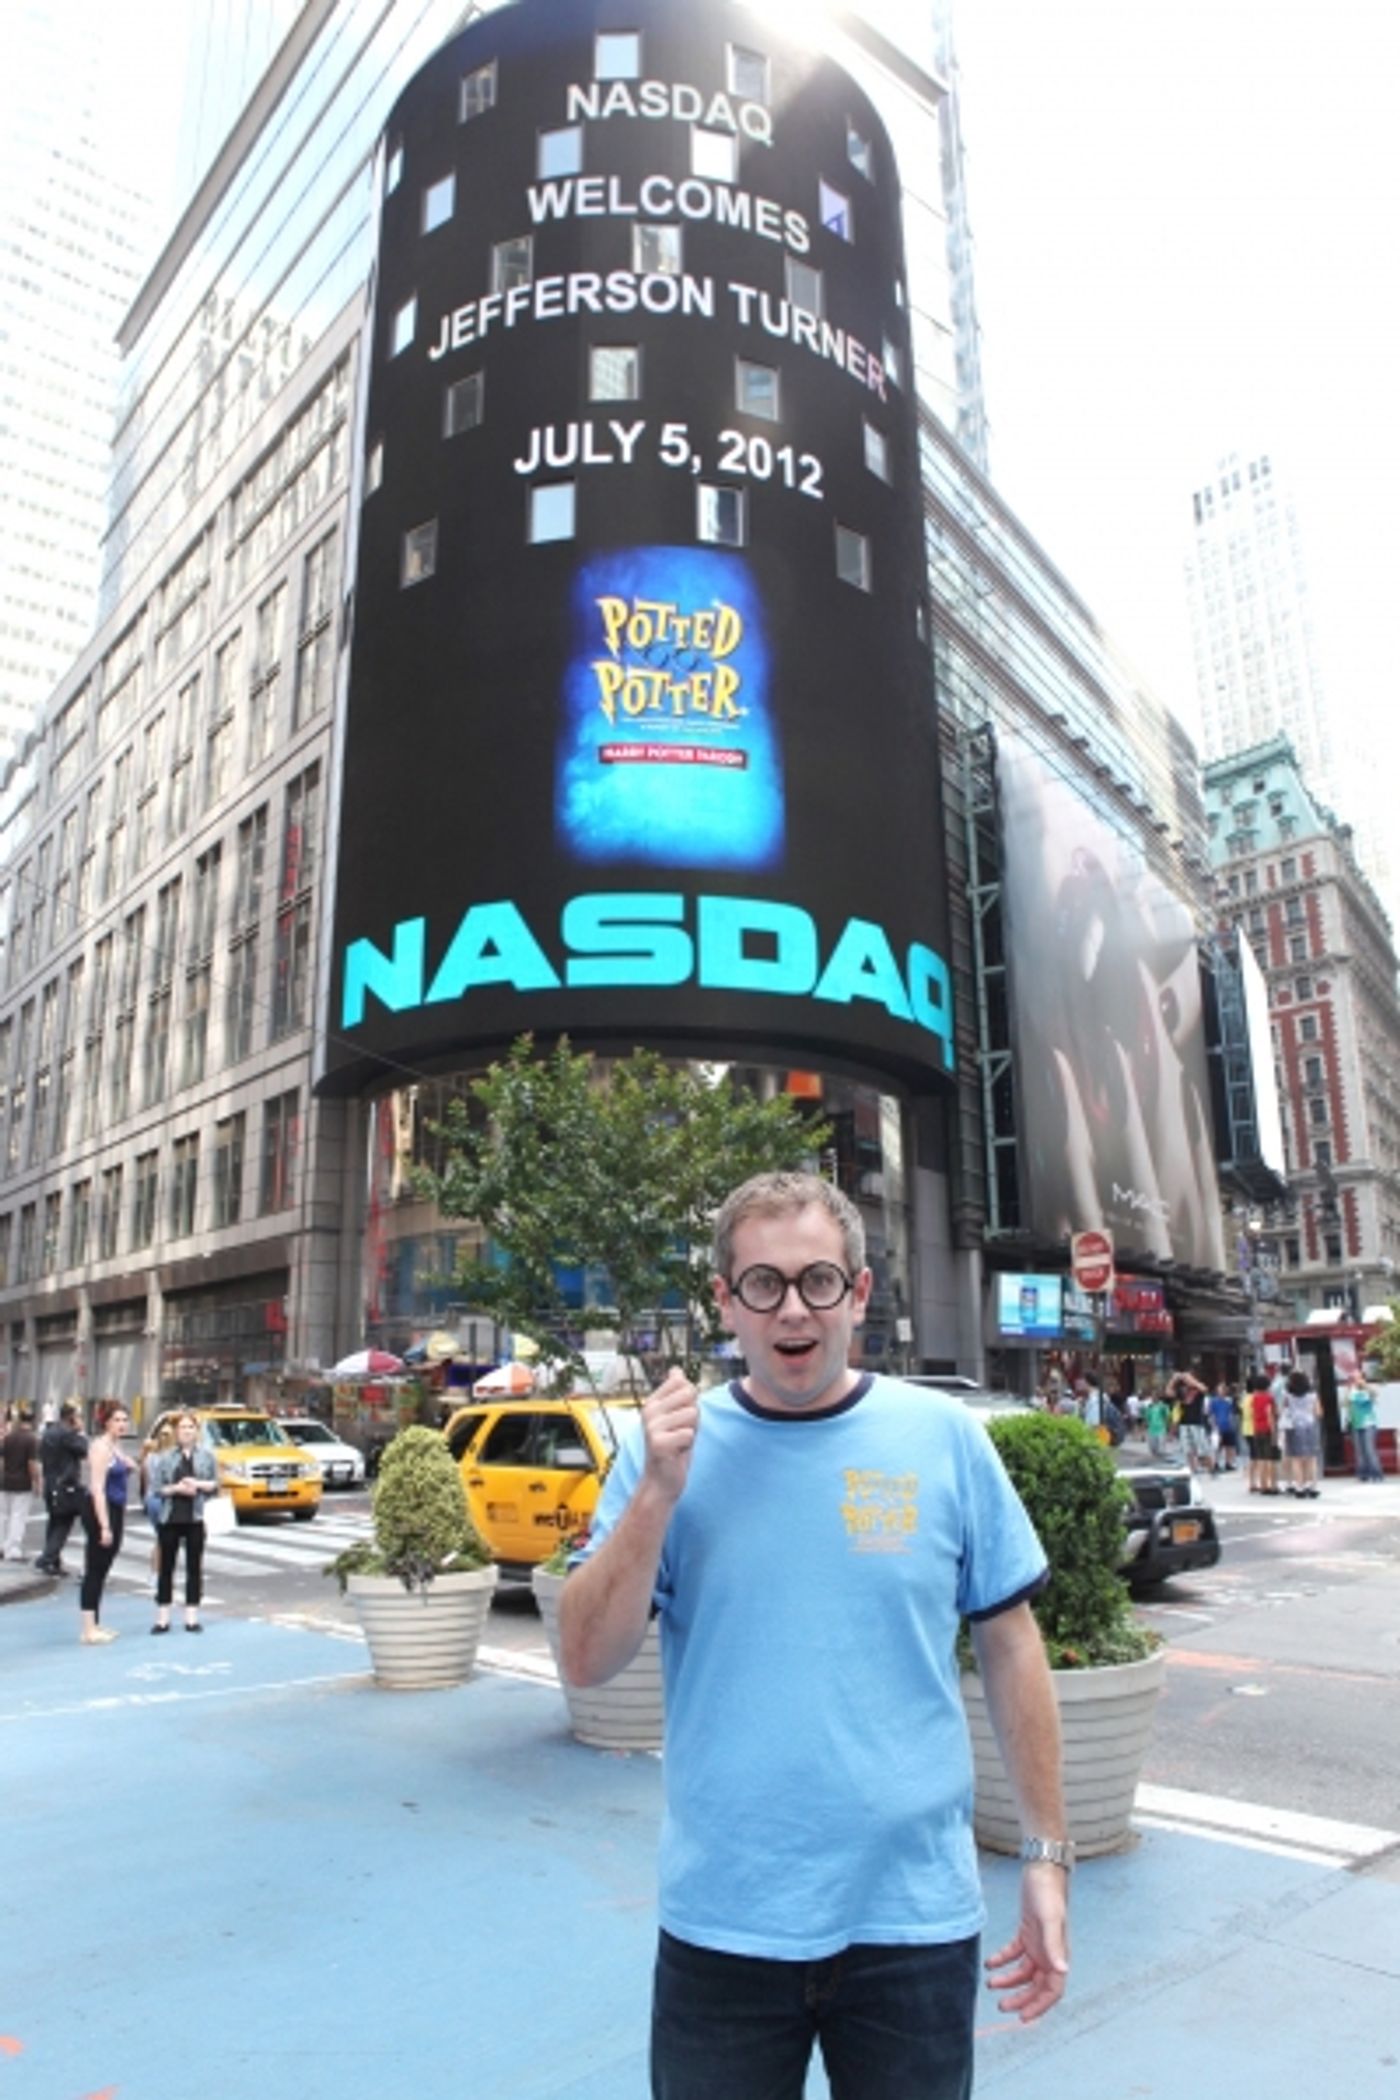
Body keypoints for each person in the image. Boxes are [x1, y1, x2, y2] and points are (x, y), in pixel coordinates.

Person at [559, 1171, 1070, 2100]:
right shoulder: (664, 1454)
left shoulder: (945, 1437)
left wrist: (1045, 1856)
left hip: (913, 1924)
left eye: (818, 1280)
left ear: (859, 1293)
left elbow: (1010, 1644)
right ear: (725, 1302)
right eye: (763, 1283)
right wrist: (656, 1497)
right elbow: (586, 1660)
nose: (793, 1309)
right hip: (725, 1924)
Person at [146, 1411, 220, 1631]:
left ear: (197, 1431)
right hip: (170, 1516)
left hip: (195, 1516)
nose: (187, 1431)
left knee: (194, 1567)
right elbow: (156, 1489)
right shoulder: (166, 1457)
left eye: (190, 1427)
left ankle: (191, 1617)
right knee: (166, 1568)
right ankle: (163, 1617)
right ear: (176, 1432)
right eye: (183, 1428)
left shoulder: (206, 1456)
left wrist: (197, 1484)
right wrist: (176, 1488)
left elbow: (215, 1485)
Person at [79, 1401, 135, 1643]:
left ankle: (95, 1623)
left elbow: (123, 1470)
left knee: (103, 1568)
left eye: (124, 1420)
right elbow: (97, 1489)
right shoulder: (100, 1447)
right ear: (106, 1423)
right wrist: (104, 1526)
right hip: (101, 1509)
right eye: (117, 1420)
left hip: (116, 1507)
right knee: (95, 1567)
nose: (122, 1424)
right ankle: (88, 1629)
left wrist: (129, 1466)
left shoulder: (115, 1446)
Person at [36, 1401, 87, 1575]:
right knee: (63, 1522)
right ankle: (47, 1559)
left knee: (54, 1521)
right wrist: (80, 1431)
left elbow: (41, 1455)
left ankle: (53, 1560)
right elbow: (84, 1449)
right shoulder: (68, 1434)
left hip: (50, 1481)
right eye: (78, 1416)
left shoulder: (49, 1432)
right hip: (65, 1484)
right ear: (72, 1416)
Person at [1, 1402, 41, 1561]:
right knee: (18, 1516)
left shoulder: (8, 1437)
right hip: (22, 1483)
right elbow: (32, 1464)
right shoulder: (32, 1439)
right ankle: (13, 1549)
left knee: (3, 1515)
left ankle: (1, 1545)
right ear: (33, 1421)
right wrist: (36, 1482)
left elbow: (2, 1461)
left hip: (5, 1481)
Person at [1281, 1370, 1322, 1498]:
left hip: (1293, 1427)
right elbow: (1318, 1412)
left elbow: (1284, 1410)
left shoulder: (1288, 1396)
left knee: (1296, 1459)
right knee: (1311, 1458)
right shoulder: (1313, 1396)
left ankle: (1299, 1487)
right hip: (1310, 1426)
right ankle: (1312, 1486)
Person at [1343, 1375, 1384, 1483]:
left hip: (1368, 1424)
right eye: (1354, 1379)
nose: (1356, 1381)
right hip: (1356, 1424)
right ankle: (1363, 1474)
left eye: (1358, 1378)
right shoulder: (1352, 1392)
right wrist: (1348, 1389)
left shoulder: (1368, 1391)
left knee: (1369, 1449)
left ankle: (1376, 1473)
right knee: (1359, 1451)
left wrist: (1365, 1385)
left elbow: (1375, 1394)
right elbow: (1345, 1404)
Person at [1170, 1372, 1211, 1475]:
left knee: (1203, 1450)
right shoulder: (1181, 1391)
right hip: (1184, 1424)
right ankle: (1193, 1470)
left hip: (1197, 1423)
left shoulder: (1197, 1390)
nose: (1186, 1380)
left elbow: (1205, 1389)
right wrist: (1173, 1380)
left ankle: (1211, 1470)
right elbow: (1169, 1392)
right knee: (1188, 1450)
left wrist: (1191, 1379)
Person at [1144, 1388, 1172, 1459]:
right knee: (1153, 1449)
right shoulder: (1150, 1406)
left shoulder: (1163, 1406)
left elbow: (1167, 1417)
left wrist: (1168, 1427)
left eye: (1155, 1396)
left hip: (1161, 1429)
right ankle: (1155, 1462)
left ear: (1158, 1397)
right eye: (1152, 1396)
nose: (1153, 1398)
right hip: (1151, 1430)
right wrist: (1145, 1428)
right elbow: (1147, 1418)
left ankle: (1160, 1462)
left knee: (1161, 1450)